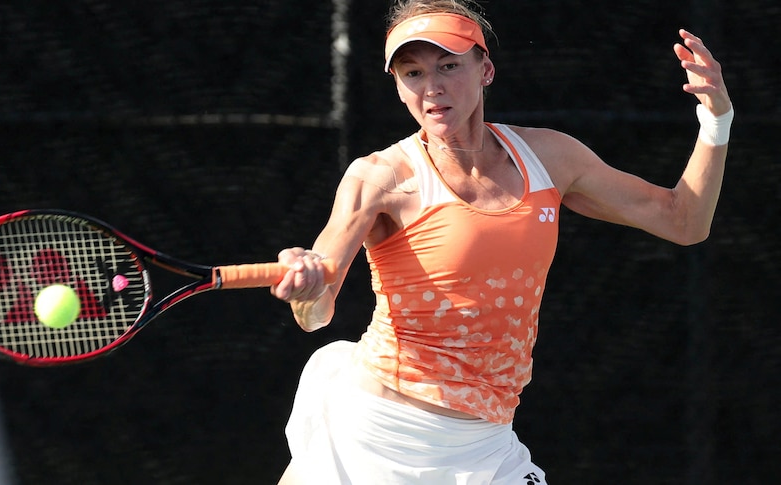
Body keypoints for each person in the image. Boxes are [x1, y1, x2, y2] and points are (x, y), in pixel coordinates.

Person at [271, 0, 733, 483]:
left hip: (486, 443)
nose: (432, 87)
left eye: (449, 66)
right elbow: (316, 312)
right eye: (412, 72)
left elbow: (684, 221)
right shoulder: (379, 178)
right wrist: (307, 290)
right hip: (377, 436)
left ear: (485, 69)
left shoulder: (550, 158)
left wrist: (717, 119)